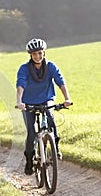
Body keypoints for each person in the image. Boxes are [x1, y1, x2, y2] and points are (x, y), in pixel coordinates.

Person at [16, 38, 72, 175]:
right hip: (28, 103)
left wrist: (66, 98)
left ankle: (55, 147)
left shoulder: (51, 66)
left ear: (44, 53)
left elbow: (60, 81)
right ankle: (29, 159)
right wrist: (19, 101)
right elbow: (20, 84)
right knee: (31, 132)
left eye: (40, 53)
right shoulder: (24, 69)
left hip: (47, 99)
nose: (38, 56)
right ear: (30, 55)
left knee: (51, 119)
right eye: (34, 54)